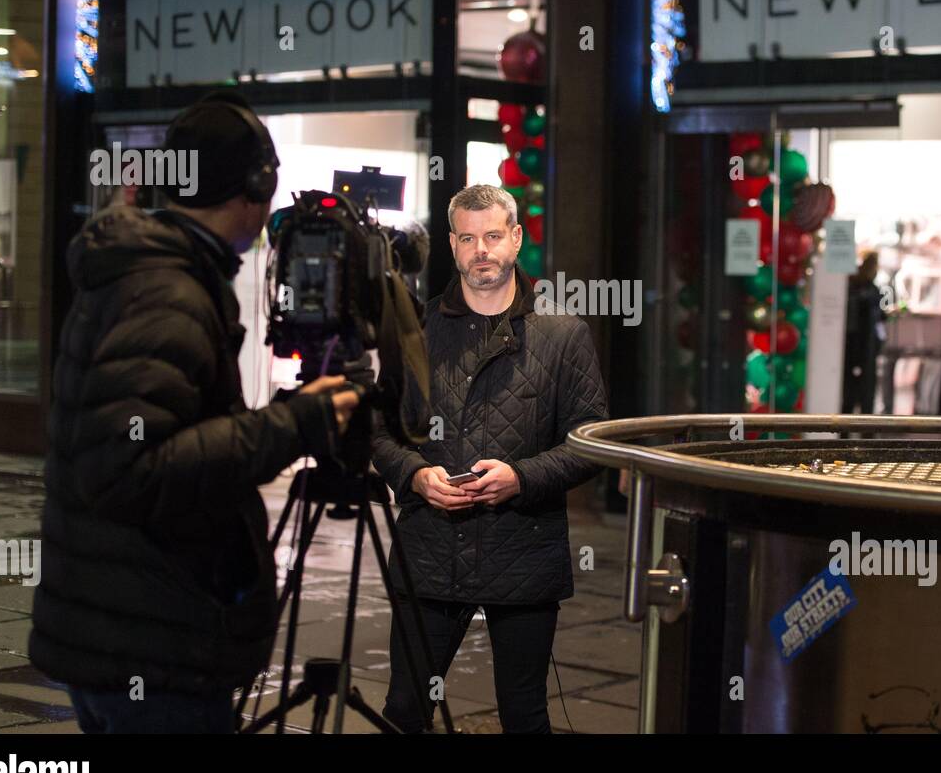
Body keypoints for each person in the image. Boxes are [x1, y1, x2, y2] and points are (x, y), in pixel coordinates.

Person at [30, 91, 360, 733]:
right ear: (255, 189)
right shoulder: (168, 292)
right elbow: (133, 468)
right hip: (152, 649)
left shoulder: (150, 271)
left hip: (123, 632)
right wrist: (295, 425)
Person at [373, 184, 608, 734]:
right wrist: (414, 474)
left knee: (524, 716)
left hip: (523, 550)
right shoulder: (418, 333)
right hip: (431, 547)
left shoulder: (563, 334)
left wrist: (521, 478)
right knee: (405, 711)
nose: (482, 250)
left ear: (516, 239)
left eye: (494, 236)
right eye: (468, 238)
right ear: (453, 245)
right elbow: (378, 431)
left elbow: (589, 442)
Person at [842, 251, 886, 415]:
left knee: (849, 396)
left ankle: (844, 434)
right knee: (864, 396)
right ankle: (866, 435)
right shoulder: (870, 291)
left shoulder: (852, 286)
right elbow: (877, 321)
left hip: (854, 348)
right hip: (864, 349)